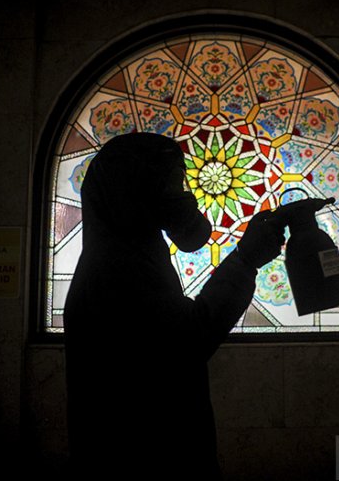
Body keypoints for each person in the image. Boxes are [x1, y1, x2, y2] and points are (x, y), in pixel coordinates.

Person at [63, 132, 285, 479]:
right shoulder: (117, 267)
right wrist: (245, 261)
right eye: (173, 182)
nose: (183, 195)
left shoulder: (123, 252)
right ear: (138, 188)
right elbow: (187, 340)